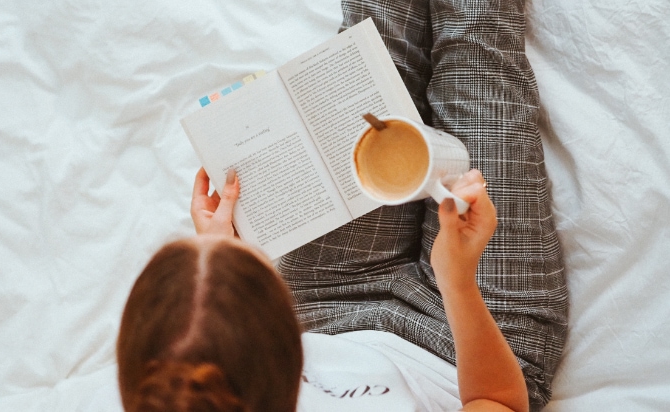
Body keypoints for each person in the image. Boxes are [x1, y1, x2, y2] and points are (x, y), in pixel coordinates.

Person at [117, 0, 567, 410]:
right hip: (471, 343)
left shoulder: (174, 395)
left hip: (321, 303)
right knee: (476, 51)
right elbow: (498, 401)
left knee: (373, 48)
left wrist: (227, 257)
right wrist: (458, 283)